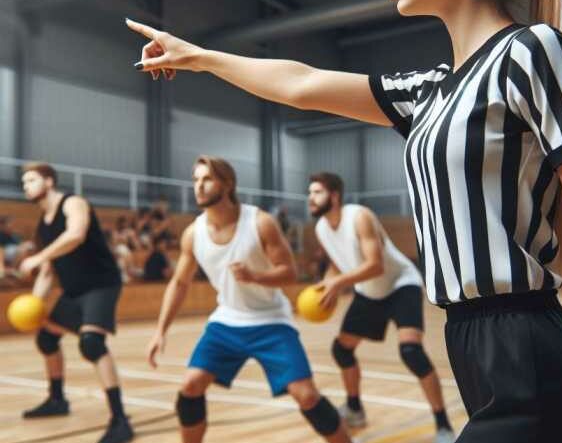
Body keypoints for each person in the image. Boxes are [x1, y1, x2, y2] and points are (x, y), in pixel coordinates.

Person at [127, 0, 562, 441]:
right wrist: (201, 57)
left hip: (530, 356)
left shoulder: (534, 51)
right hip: (470, 348)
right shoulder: (430, 93)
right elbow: (300, 84)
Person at [146, 155, 351, 443]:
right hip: (226, 322)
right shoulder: (193, 234)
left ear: (227, 184)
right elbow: (179, 283)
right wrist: (160, 331)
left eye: (207, 179)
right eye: (196, 180)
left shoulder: (260, 222)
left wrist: (256, 276)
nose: (199, 187)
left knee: (305, 396)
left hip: (271, 321)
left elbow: (290, 273)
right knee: (190, 386)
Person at [309, 172, 454, 443]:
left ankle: (443, 424)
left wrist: (339, 283)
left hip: (401, 283)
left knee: (411, 352)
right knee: (341, 349)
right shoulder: (321, 229)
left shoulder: (359, 216)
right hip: (369, 290)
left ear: (334, 196)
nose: (310, 198)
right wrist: (327, 285)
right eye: (310, 193)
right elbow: (339, 262)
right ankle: (354, 409)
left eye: (316, 192)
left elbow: (375, 264)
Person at [18, 162, 133, 443]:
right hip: (73, 291)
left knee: (92, 344)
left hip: (101, 285)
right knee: (46, 338)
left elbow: (76, 234)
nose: (25, 186)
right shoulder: (42, 227)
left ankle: (119, 420)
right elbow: (47, 272)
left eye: (31, 180)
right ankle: (57, 400)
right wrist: (33, 304)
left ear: (48, 181)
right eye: (23, 183)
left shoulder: (73, 203)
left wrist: (38, 257)